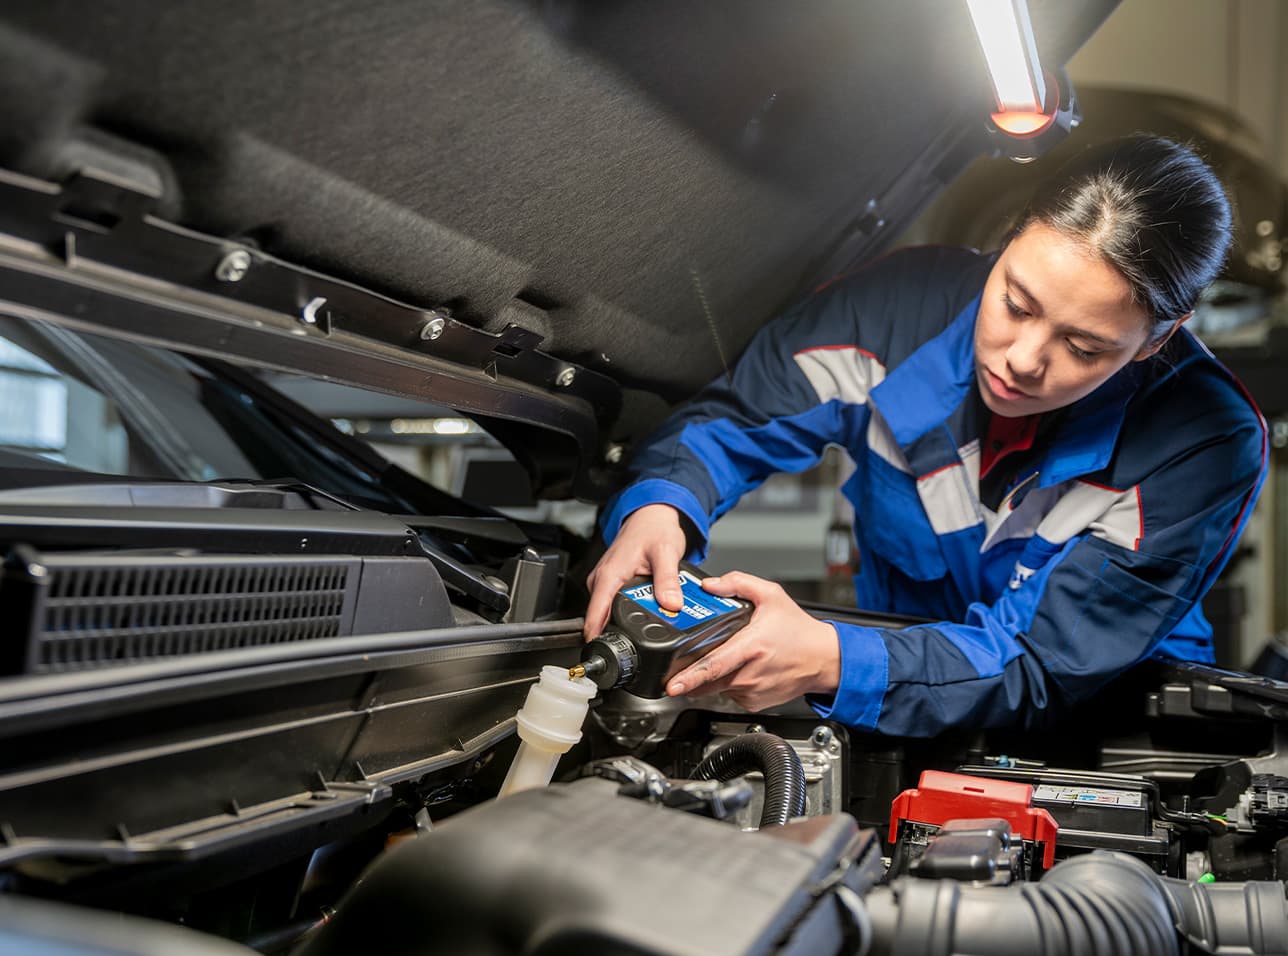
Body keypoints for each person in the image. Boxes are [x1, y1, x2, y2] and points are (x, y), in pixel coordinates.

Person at [584, 135, 1267, 737]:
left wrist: (832, 661)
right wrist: (661, 506)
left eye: (1084, 346)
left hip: (1103, 733)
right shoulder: (888, 315)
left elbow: (1041, 663)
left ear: (1157, 340)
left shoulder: (1204, 441)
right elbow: (733, 421)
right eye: (1015, 303)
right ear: (1009, 236)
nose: (1023, 359)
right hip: (894, 703)